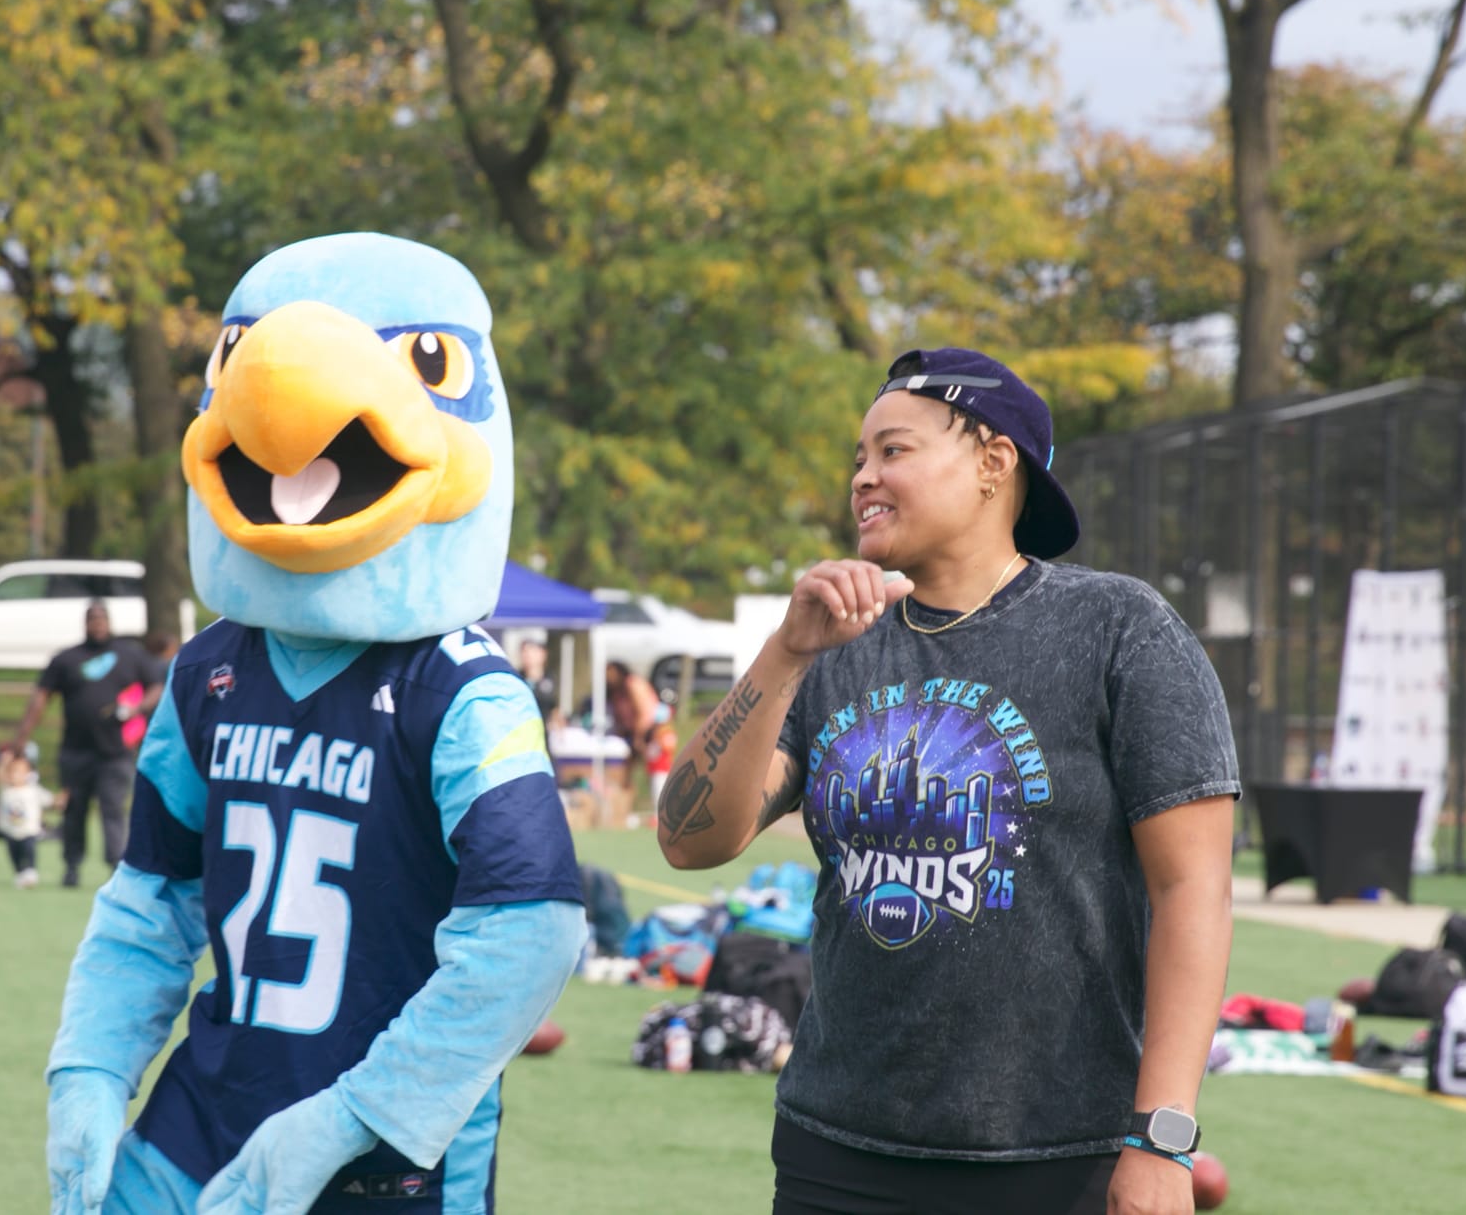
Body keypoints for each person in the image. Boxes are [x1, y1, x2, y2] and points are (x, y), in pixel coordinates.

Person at [42, 233, 584, 1215]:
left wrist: (355, 1112)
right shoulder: (209, 669)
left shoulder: (461, 690)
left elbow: (529, 931)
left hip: (384, 1147)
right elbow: (153, 897)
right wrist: (90, 1062)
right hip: (208, 1114)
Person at [657, 347, 1239, 1215]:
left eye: (893, 450)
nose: (863, 477)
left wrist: (1162, 1134)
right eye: (859, 457)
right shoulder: (834, 647)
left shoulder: (1119, 628)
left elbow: (1193, 888)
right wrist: (785, 651)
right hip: (835, 1150)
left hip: (1055, 1155)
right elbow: (689, 838)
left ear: (994, 462)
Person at [0, 601, 162, 889]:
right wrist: (21, 737)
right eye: (92, 619)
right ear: (85, 623)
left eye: (102, 618)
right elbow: (41, 697)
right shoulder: (67, 659)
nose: (97, 624)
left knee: (113, 809)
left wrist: (135, 709)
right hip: (75, 750)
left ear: (109, 621)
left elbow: (156, 686)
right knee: (73, 811)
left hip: (116, 751)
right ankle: (71, 866)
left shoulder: (129, 654)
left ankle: (116, 866)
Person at [604, 660, 659, 825]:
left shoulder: (632, 684)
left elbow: (644, 712)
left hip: (649, 731)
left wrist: (639, 738)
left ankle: (659, 812)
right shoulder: (615, 691)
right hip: (630, 734)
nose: (607, 677)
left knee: (655, 773)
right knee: (626, 775)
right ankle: (626, 811)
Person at [0, 746, 57, 888]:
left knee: (29, 851)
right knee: (14, 854)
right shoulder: (6, 790)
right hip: (10, 831)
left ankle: (30, 872)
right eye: (12, 772)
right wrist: (4, 763)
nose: (14, 775)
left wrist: (59, 800)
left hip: (29, 830)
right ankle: (19, 873)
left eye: (19, 772)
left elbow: (49, 800)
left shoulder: (32, 790)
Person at [516, 637, 561, 728]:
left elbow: (554, 708)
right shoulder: (516, 679)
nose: (527, 655)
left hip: (544, 732)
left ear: (543, 654)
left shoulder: (551, 679)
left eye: (532, 651)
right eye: (524, 651)